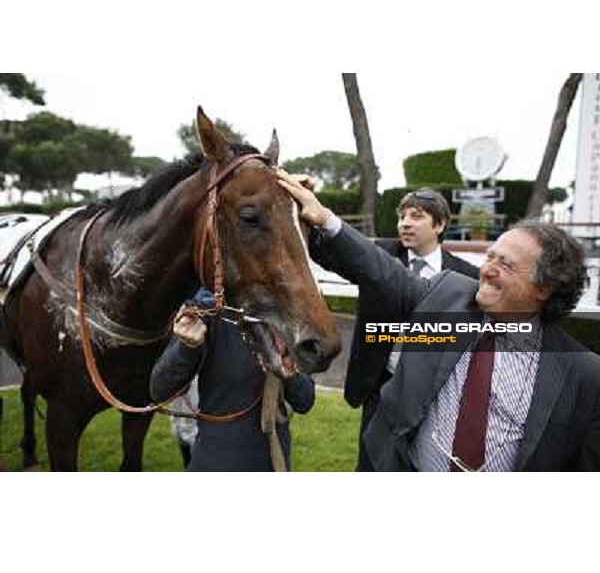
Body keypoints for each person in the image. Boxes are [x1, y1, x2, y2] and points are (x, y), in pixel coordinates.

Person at [277, 169, 600, 471]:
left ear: (544, 288)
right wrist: (324, 219)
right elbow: (382, 272)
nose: (487, 269)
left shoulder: (585, 376)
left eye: (507, 265)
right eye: (490, 257)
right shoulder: (449, 297)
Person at [346, 189, 479, 471]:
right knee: (371, 465)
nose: (405, 223)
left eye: (416, 217)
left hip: (434, 390)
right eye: (402, 216)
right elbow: (338, 249)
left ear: (440, 224)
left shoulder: (466, 277)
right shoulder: (378, 255)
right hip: (380, 384)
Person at [150, 288, 315, 472]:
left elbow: (305, 400)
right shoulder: (210, 311)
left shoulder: (286, 314)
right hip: (213, 464)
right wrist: (186, 347)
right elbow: (160, 390)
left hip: (273, 462)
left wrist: (287, 368)